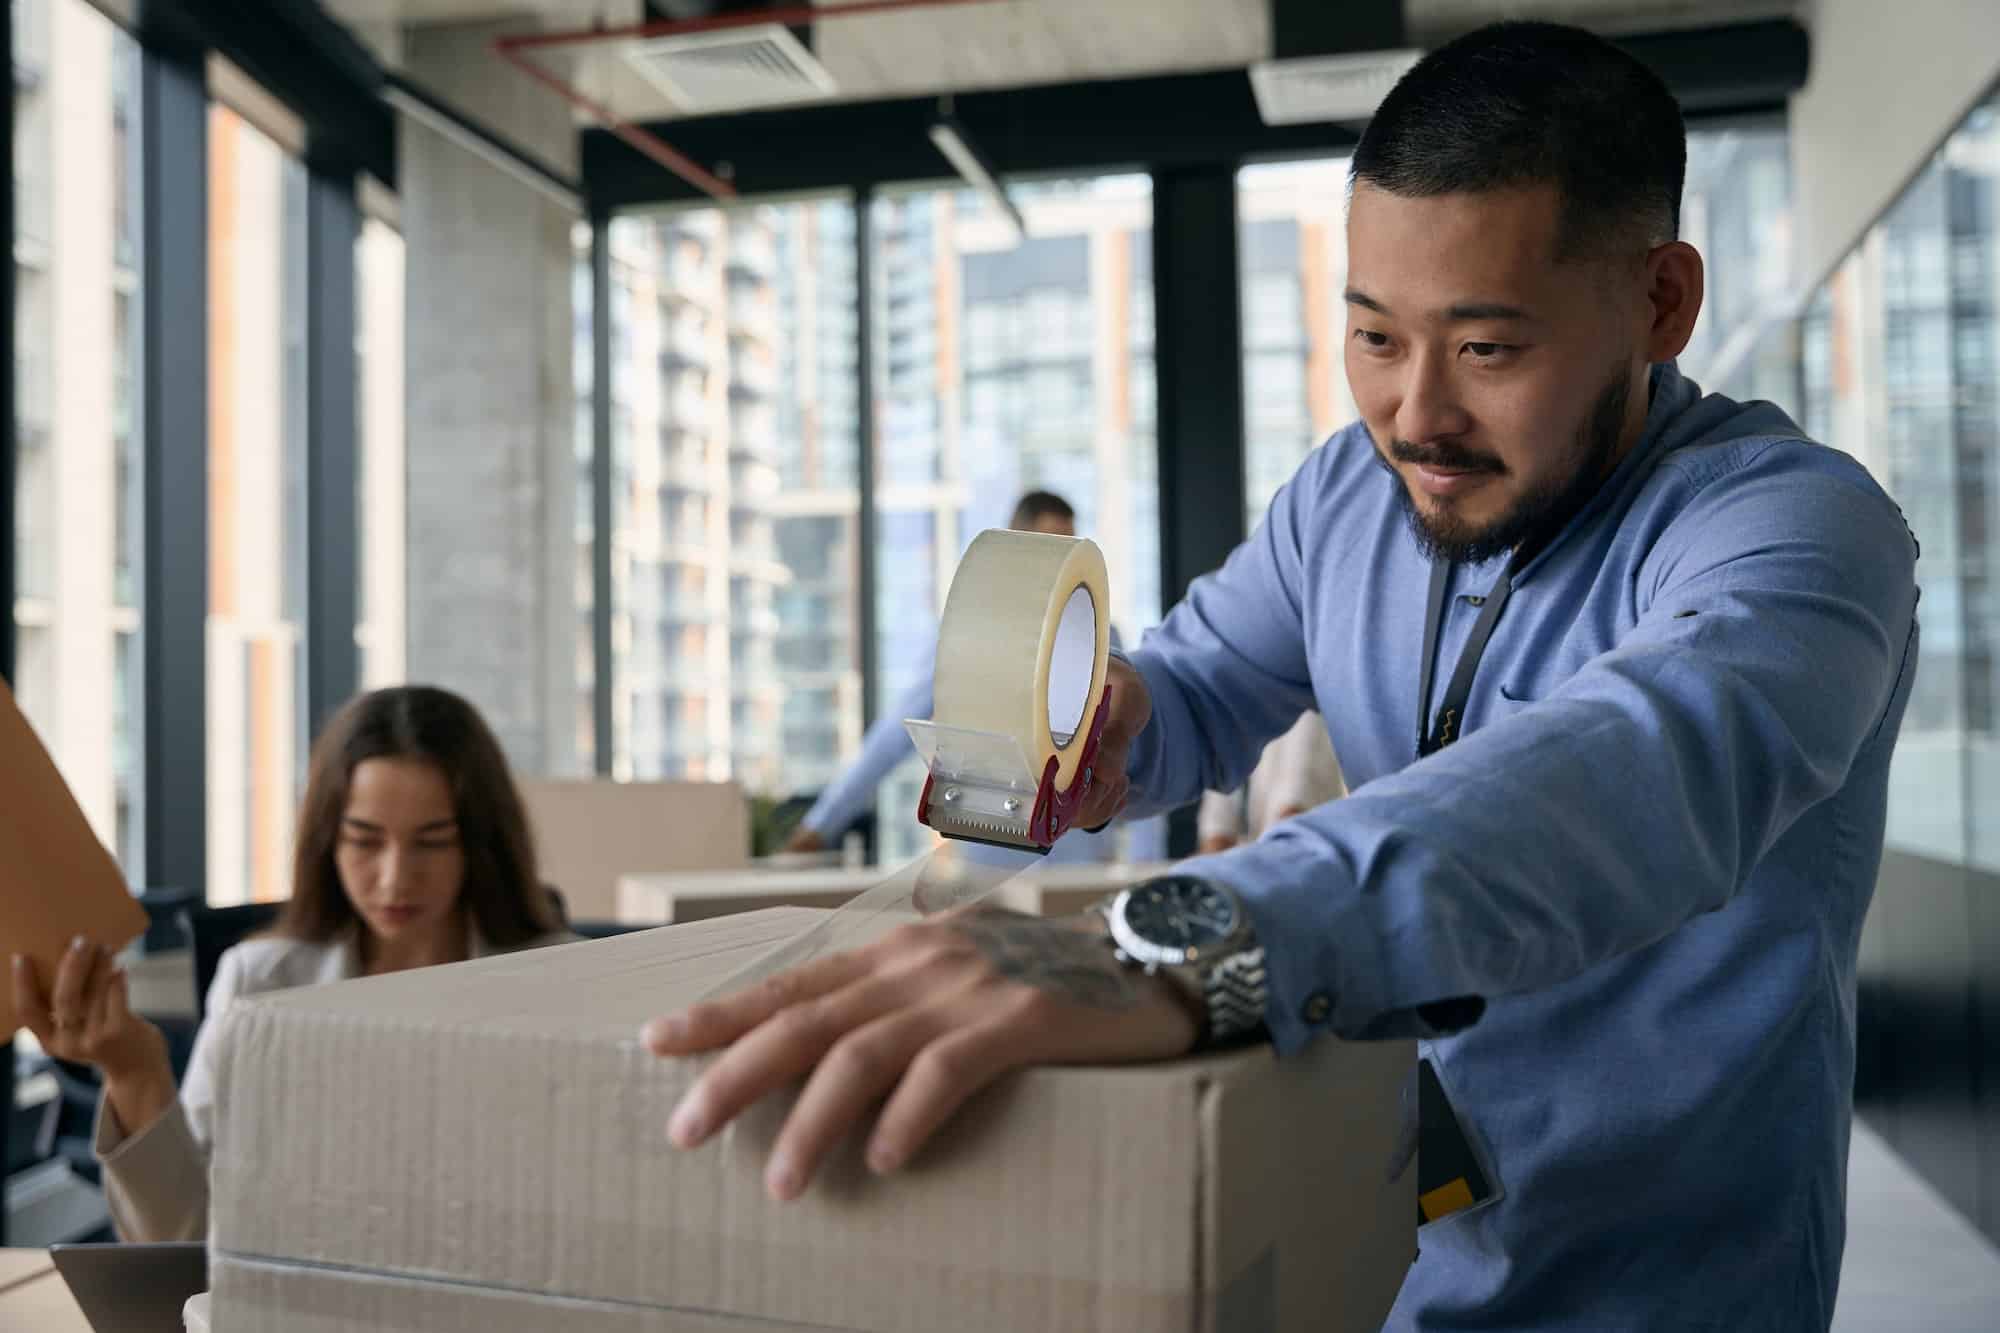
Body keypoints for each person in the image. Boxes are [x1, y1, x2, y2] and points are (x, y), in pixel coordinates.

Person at [636, 22, 1921, 1331]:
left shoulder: (1797, 531)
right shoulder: (1350, 495)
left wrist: (1185, 944)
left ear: (1659, 302)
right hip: (1386, 1233)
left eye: (1487, 349)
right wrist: (1117, 722)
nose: (1416, 413)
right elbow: (1204, 673)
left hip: (1669, 1286)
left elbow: (1648, 764)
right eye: (1374, 335)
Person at [10, 685, 575, 1243]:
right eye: (364, 841)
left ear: (480, 845)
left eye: (432, 842)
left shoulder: (566, 980)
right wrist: (136, 1073)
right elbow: (182, 1239)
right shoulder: (260, 979)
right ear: (328, 840)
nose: (395, 878)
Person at [783, 489, 1157, 865]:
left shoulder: (1101, 635)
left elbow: (1129, 752)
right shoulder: (972, 631)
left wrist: (1146, 862)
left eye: (1068, 544)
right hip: (992, 853)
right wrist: (820, 824)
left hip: (1078, 857)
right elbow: (893, 735)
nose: (1061, 562)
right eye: (1050, 545)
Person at [1195, 710, 1344, 854]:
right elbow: (1216, 832)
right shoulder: (1230, 719)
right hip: (1262, 856)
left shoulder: (1307, 715)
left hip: (1299, 855)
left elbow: (1291, 814)